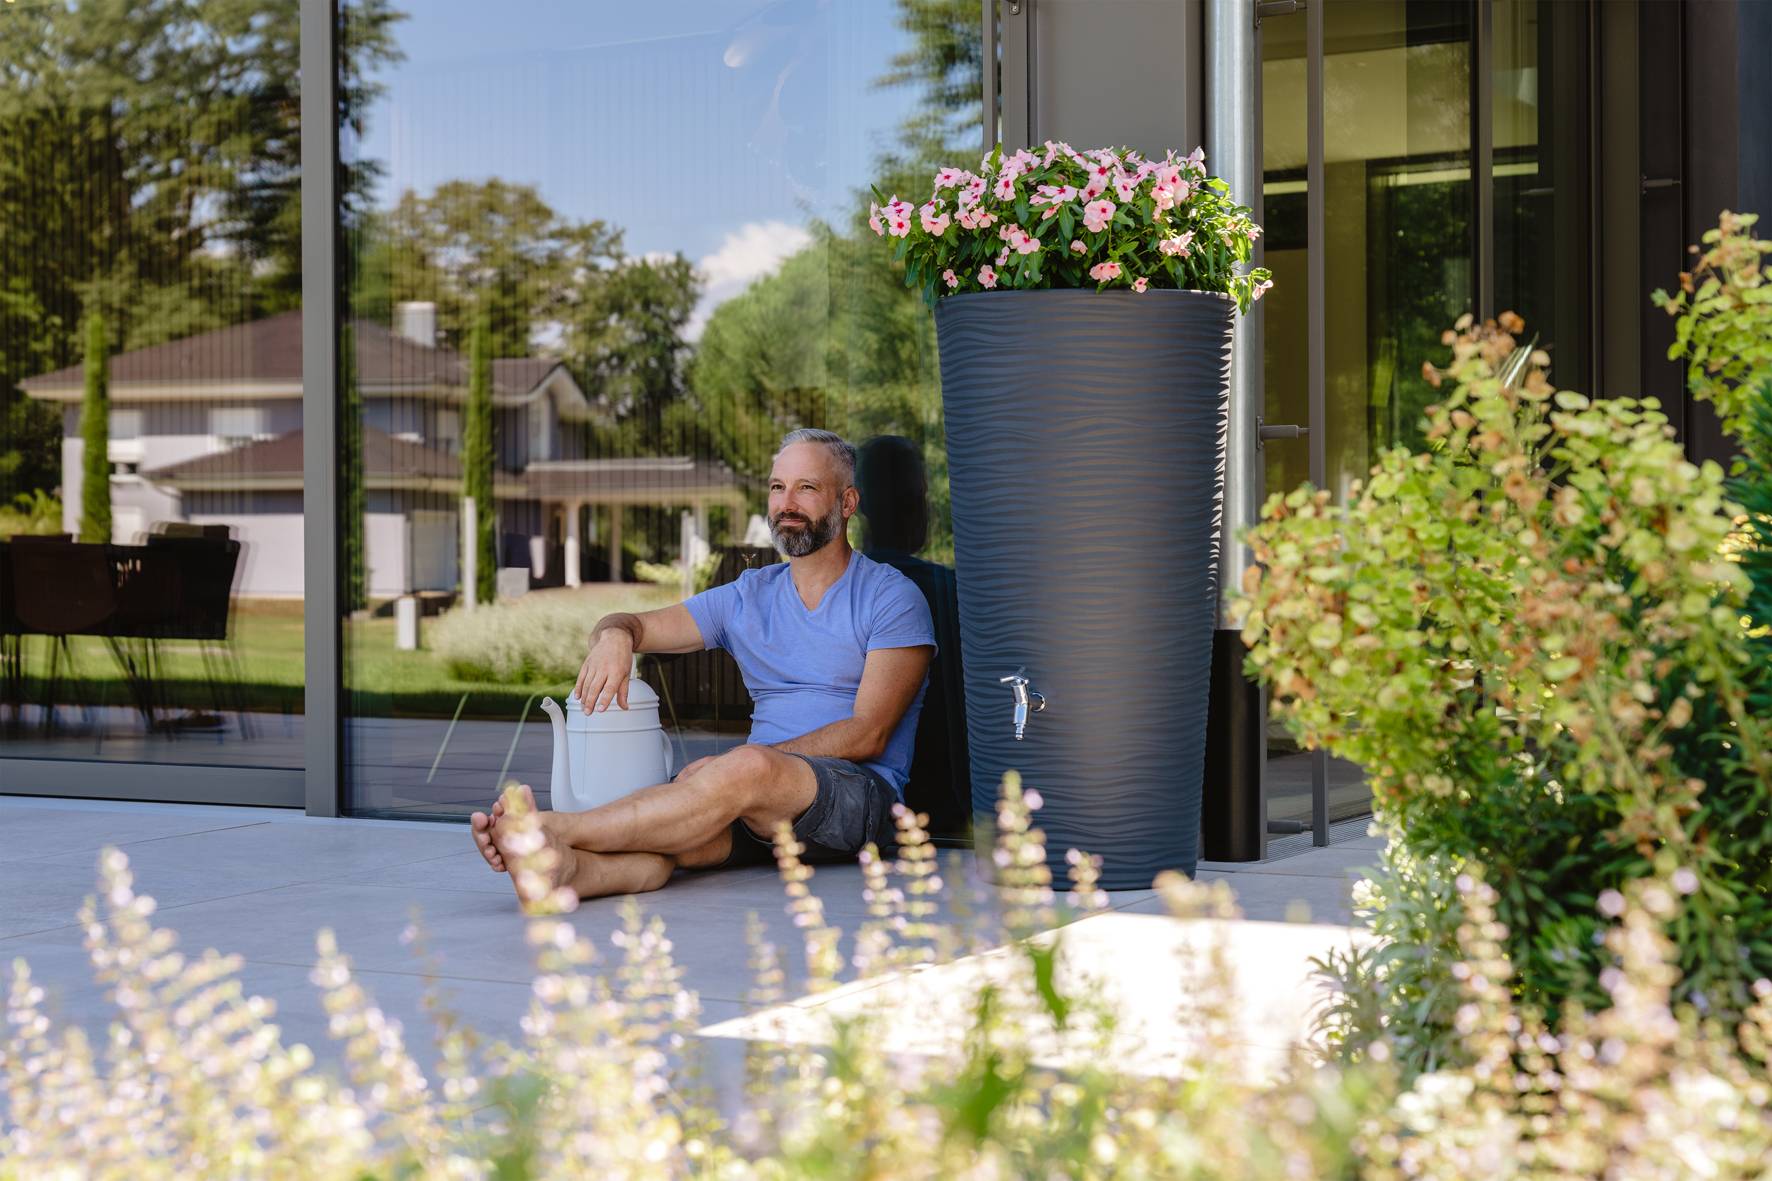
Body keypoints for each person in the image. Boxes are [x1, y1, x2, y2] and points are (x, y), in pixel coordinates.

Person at [470, 429, 935, 906]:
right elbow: (636, 624)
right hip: (757, 802)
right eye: (778, 487)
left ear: (847, 502)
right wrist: (615, 636)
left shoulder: (891, 597)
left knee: (741, 770)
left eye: (807, 488)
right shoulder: (747, 595)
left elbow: (868, 734)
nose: (787, 503)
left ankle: (553, 826)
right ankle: (565, 870)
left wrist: (747, 768)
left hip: (861, 798)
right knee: (672, 836)